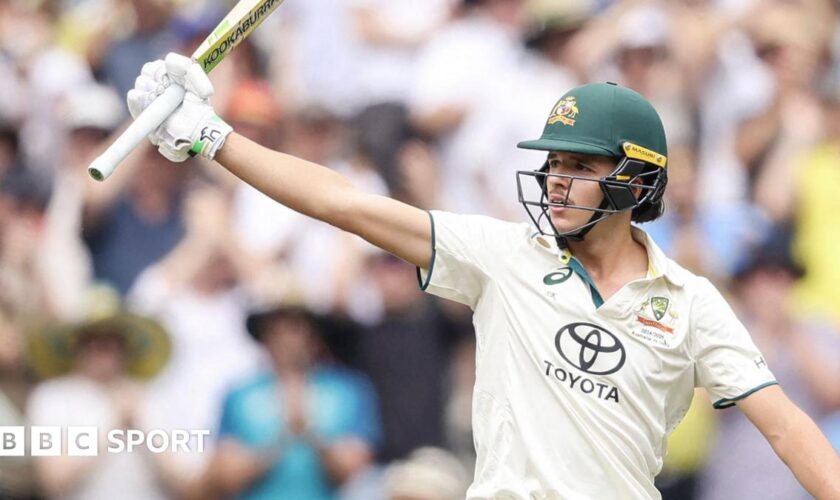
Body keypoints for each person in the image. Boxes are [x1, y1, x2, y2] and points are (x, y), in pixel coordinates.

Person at [123, 53, 840, 498]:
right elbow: (342, 203)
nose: (557, 181)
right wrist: (212, 137)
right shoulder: (502, 255)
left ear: (635, 181)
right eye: (554, 163)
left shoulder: (690, 301)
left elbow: (785, 427)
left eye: (581, 166)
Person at [199, 299, 381, 499]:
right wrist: (281, 438)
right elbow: (227, 476)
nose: (285, 338)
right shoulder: (240, 394)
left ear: (314, 334)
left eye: (294, 327)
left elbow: (351, 471)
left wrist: (310, 432)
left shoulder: (348, 390)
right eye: (275, 329)